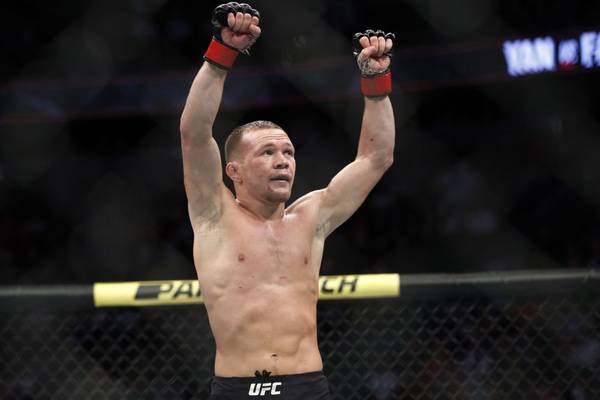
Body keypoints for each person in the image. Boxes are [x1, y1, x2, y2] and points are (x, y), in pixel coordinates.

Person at [180, 2, 395, 399]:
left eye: (289, 153)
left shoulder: (311, 218)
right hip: (238, 389)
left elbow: (375, 158)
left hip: (307, 386)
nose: (282, 161)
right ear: (234, 171)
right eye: (267, 152)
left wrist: (376, 81)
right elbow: (194, 133)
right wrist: (222, 52)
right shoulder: (214, 215)